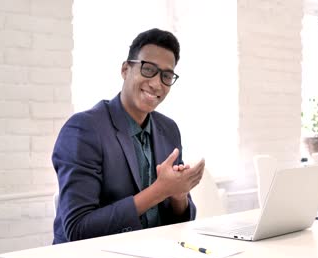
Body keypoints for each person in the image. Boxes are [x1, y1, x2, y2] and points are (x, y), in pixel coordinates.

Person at [52, 28, 205, 244]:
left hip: (155, 252)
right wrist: (160, 191)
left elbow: (181, 223)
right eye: (148, 69)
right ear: (125, 69)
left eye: (167, 76)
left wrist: (179, 194)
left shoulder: (168, 129)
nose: (156, 83)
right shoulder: (83, 130)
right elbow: (78, 229)